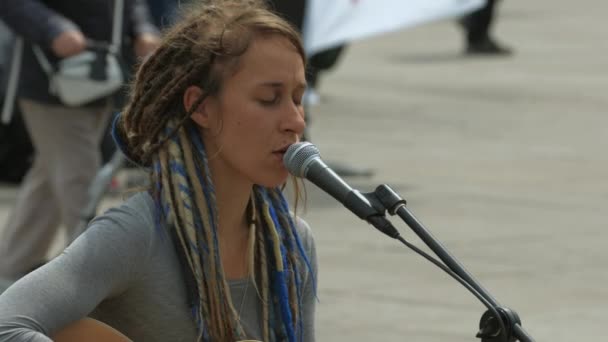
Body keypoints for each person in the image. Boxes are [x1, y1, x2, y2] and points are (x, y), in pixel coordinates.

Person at [0, 0, 318, 341]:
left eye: (298, 98)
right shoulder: (138, 235)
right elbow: (7, 325)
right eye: (269, 99)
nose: (295, 121)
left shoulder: (294, 244)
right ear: (202, 107)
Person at [0, 0, 160, 280]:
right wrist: (53, 29)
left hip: (100, 79)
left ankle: (11, 268)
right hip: (51, 83)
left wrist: (142, 30)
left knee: (51, 179)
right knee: (79, 178)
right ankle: (92, 276)